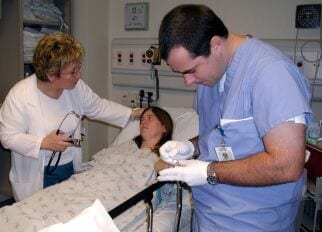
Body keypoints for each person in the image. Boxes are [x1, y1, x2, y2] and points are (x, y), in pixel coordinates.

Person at [156, 4, 313, 231]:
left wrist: (208, 171)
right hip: (208, 219)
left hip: (254, 223)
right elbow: (222, 135)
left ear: (216, 45)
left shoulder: (271, 73)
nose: (188, 82)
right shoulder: (210, 76)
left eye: (191, 70)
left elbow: (288, 164)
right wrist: (190, 147)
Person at [0, 32, 143, 202]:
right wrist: (43, 143)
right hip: (38, 174)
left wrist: (131, 113)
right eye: (73, 72)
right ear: (51, 75)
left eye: (78, 69)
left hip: (69, 168)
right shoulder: (20, 95)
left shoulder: (76, 88)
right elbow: (7, 137)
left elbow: (98, 106)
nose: (79, 76)